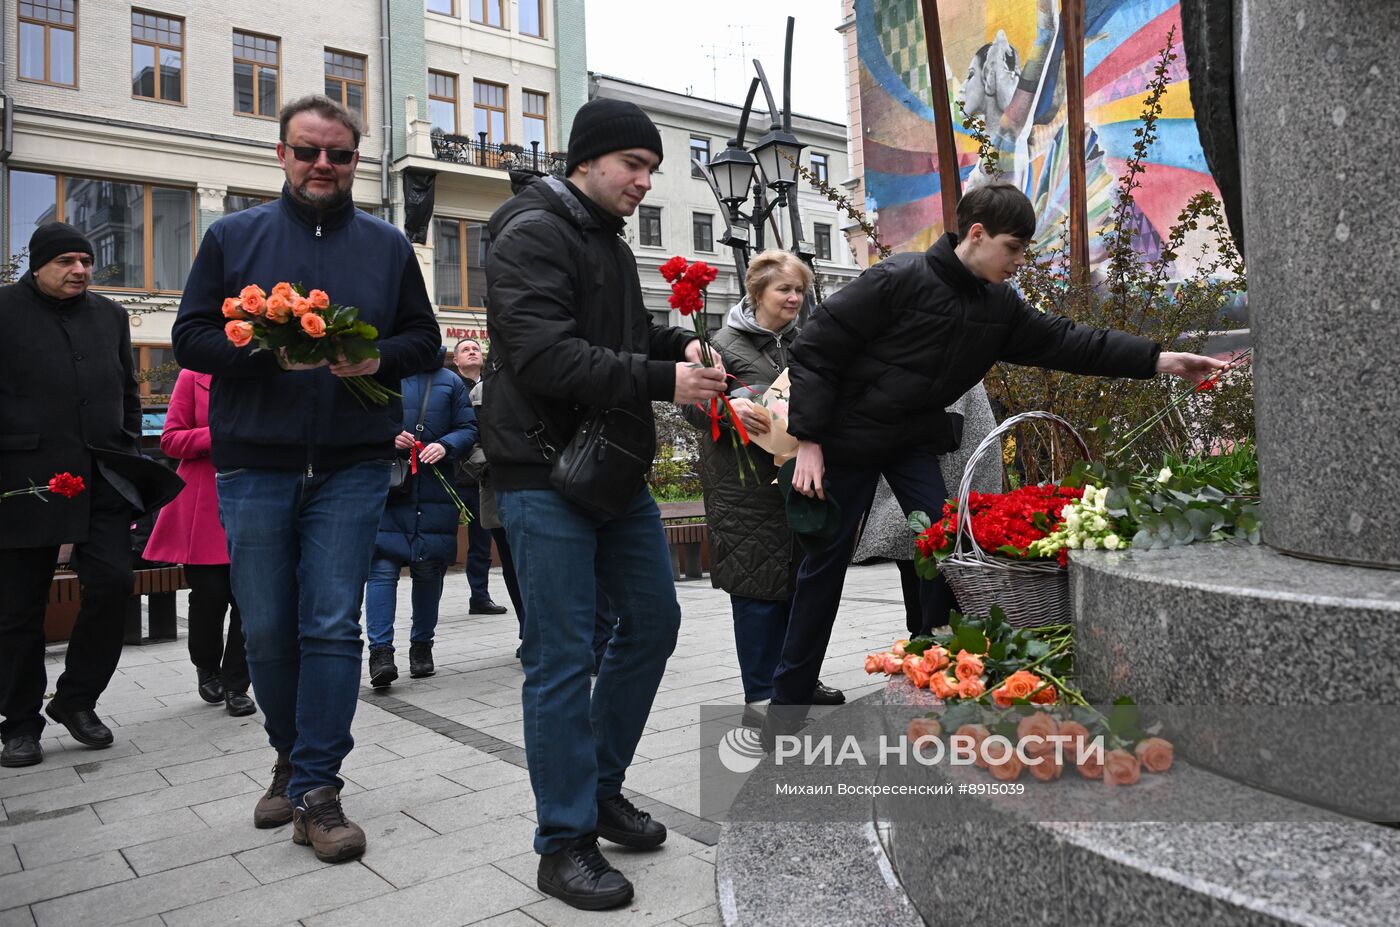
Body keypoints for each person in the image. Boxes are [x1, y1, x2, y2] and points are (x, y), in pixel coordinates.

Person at [768, 182, 1227, 741]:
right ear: (977, 234)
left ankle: (932, 666)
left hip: (910, 438)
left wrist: (1161, 359)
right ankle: (786, 706)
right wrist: (809, 440)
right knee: (824, 567)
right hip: (841, 439)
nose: (1018, 261)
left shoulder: (999, 306)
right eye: (1013, 248)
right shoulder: (897, 279)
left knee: (944, 547)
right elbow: (816, 347)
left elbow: (1071, 342)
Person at [171, 94, 441, 863]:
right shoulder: (232, 236)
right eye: (308, 150)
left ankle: (319, 788)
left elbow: (422, 338)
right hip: (256, 460)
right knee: (264, 628)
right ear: (281, 154)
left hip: (353, 463)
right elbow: (190, 335)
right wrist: (264, 351)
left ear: (357, 160)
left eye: (340, 153)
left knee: (329, 623)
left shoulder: (388, 246)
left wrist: (376, 357)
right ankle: (290, 759)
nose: (324, 164)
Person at [482, 97, 726, 910]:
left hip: (610, 470)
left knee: (653, 625)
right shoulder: (530, 232)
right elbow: (547, 356)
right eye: (634, 165)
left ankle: (599, 789)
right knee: (560, 657)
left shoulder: (606, 241)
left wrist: (679, 344)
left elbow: (617, 341)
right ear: (586, 160)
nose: (644, 182)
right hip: (542, 472)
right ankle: (563, 842)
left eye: (652, 168)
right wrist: (663, 377)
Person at [0, 222, 182, 768]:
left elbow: (127, 388)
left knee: (112, 583)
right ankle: (19, 723)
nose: (80, 270)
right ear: (38, 265)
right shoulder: (4, 310)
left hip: (101, 475)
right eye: (66, 262)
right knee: (17, 609)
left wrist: (124, 442)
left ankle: (76, 700)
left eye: (85, 260)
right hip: (23, 481)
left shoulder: (109, 315)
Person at [684, 250, 843, 728]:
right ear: (757, 293)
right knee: (756, 592)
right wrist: (730, 408)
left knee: (803, 588)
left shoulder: (808, 342)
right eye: (785, 290)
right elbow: (693, 407)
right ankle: (760, 695)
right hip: (744, 489)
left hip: (800, 481)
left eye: (800, 290)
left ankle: (798, 679)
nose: (795, 298)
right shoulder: (719, 345)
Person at [144, 369, 256, 716]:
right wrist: (220, 435)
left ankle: (237, 684)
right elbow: (171, 440)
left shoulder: (267, 371)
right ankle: (207, 666)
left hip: (258, 497)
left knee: (252, 601)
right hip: (204, 501)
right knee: (210, 596)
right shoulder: (192, 376)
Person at [850, 384, 1002, 636]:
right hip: (931, 485)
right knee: (922, 563)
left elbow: (947, 432)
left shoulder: (950, 358)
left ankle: (929, 643)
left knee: (935, 569)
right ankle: (926, 642)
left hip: (948, 481)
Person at [367, 351, 478, 687]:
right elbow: (359, 421)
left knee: (429, 568)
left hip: (435, 488)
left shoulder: (451, 382)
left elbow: (468, 427)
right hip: (391, 487)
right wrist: (385, 435)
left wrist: (445, 445)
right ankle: (380, 652)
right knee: (382, 568)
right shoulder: (380, 373)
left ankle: (422, 647)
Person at [451, 337, 508, 615]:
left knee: (482, 542)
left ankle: (480, 597)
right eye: (465, 349)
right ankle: (428, 600)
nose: (472, 352)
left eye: (475, 348)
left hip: (484, 479)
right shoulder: (450, 386)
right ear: (456, 360)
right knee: (443, 540)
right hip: (454, 479)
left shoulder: (493, 384)